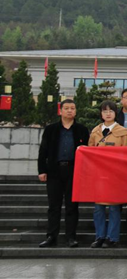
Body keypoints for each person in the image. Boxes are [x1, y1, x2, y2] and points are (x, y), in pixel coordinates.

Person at [37, 99, 90, 248]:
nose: (69, 111)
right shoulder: (51, 129)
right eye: (66, 108)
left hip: (74, 171)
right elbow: (43, 151)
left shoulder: (81, 129)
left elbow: (87, 152)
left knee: (72, 206)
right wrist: (42, 170)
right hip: (54, 171)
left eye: (72, 108)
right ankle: (51, 237)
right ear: (60, 111)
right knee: (54, 206)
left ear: (76, 111)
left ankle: (71, 237)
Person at [88, 100, 127, 249]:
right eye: (105, 111)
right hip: (99, 174)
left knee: (114, 207)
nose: (108, 114)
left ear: (115, 113)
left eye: (111, 111)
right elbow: (90, 151)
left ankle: (112, 237)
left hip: (115, 174)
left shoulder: (123, 132)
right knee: (98, 208)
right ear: (101, 114)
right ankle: (99, 236)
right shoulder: (95, 131)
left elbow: (126, 153)